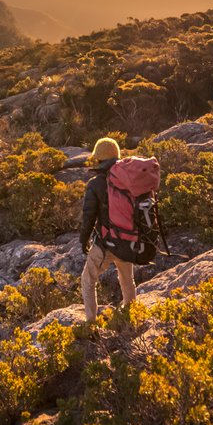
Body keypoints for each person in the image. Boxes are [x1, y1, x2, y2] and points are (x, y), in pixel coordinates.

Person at [78, 137, 136, 321]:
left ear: (99, 159)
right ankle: (131, 314)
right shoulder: (130, 178)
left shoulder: (95, 183)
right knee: (127, 280)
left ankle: (91, 323)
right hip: (127, 240)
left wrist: (83, 240)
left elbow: (89, 216)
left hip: (105, 244)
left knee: (88, 281)